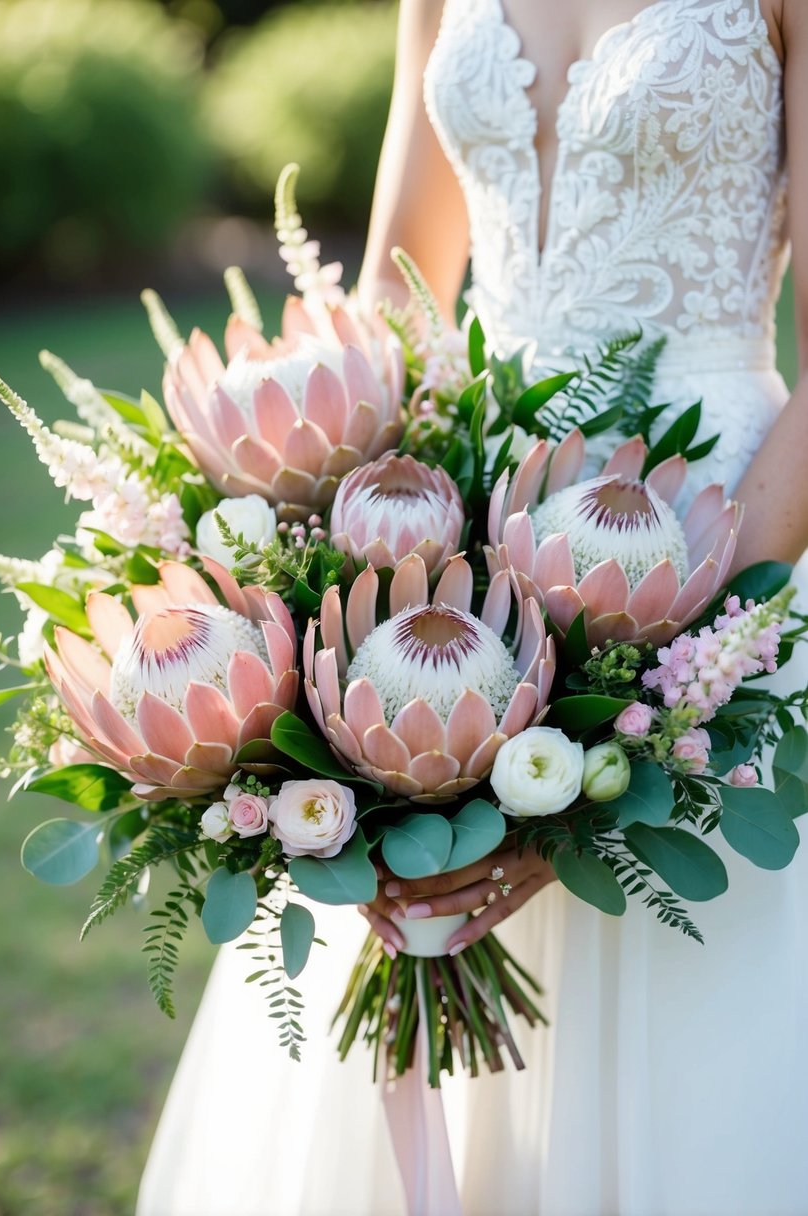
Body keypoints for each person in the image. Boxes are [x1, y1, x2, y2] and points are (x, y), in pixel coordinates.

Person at [137, 1, 808, 1212]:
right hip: (456, 576)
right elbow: (404, 304)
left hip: (716, 539)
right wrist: (342, 605)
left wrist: (654, 694)